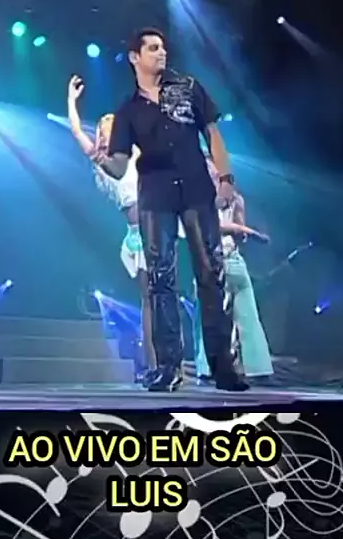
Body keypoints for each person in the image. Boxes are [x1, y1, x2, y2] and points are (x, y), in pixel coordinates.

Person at [92, 27, 248, 393]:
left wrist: (226, 178)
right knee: (161, 280)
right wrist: (102, 160)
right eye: (152, 48)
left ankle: (223, 366)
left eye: (162, 47)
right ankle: (167, 367)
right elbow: (119, 165)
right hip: (155, 196)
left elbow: (213, 134)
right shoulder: (128, 110)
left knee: (211, 274)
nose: (161, 53)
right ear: (135, 57)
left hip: (196, 190)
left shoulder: (188, 88)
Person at [67, 75, 156, 381]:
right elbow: (77, 131)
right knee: (151, 302)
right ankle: (154, 365)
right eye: (108, 128)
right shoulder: (105, 162)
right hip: (139, 236)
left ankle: (159, 363)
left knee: (156, 300)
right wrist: (71, 102)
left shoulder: (136, 154)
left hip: (153, 229)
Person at [193, 159, 274, 383]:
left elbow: (236, 233)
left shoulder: (229, 200)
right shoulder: (204, 201)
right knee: (221, 316)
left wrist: (243, 231)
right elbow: (224, 227)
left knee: (244, 315)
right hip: (216, 261)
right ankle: (222, 368)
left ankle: (254, 369)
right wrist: (248, 231)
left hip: (224, 260)